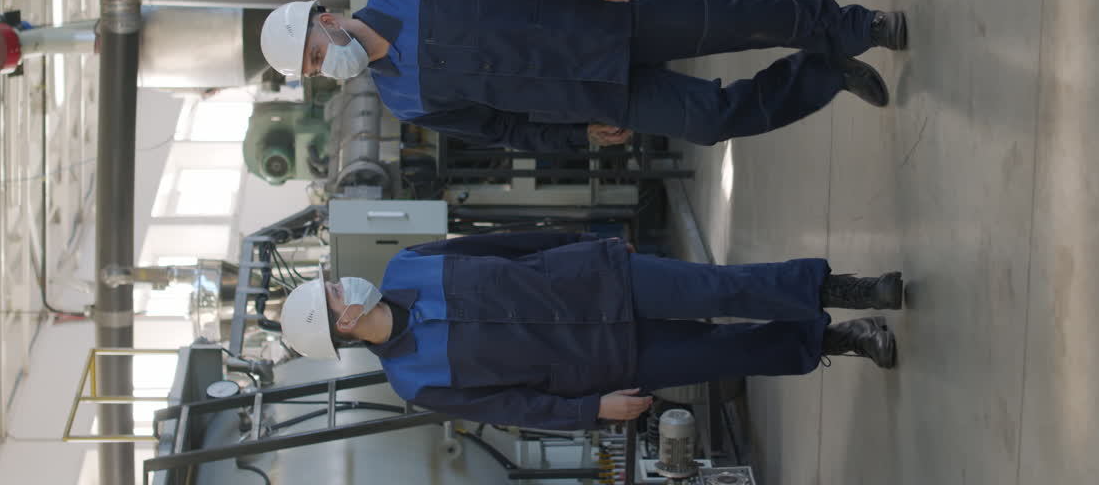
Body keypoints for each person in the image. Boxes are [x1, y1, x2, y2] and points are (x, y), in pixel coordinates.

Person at [260, 0, 907, 152]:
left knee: (738, 19)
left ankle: (856, 26)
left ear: (325, 18)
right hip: (597, 92)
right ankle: (827, 73)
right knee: (712, 121)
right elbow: (501, 129)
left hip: (603, 20)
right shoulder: (404, 100)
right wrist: (574, 138)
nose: (325, 67)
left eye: (316, 52)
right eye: (315, 72)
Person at [280, 231, 903, 429]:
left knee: (723, 287)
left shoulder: (408, 264)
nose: (345, 283)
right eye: (334, 292)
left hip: (597, 279)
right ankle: (840, 339)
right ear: (343, 325)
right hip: (600, 360)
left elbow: (509, 245)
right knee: (725, 351)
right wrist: (592, 409)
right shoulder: (414, 381)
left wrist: (592, 242)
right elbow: (512, 406)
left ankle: (845, 289)